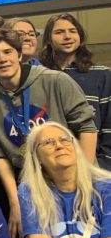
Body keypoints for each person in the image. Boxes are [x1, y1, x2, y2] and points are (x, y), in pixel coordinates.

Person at [0, 28, 97, 238]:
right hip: (34, 190)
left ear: (19, 54)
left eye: (7, 52)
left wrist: (85, 180)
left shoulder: (55, 81)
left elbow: (87, 127)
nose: (2, 59)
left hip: (73, 180)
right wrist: (16, 204)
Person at [39, 13, 111, 170]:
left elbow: (108, 124)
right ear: (49, 40)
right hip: (52, 167)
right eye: (59, 32)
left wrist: (103, 166)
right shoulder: (40, 76)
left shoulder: (102, 74)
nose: (67, 36)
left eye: (72, 31)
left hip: (95, 167)